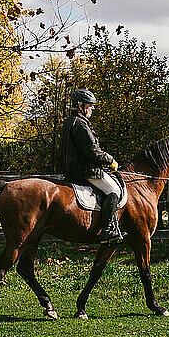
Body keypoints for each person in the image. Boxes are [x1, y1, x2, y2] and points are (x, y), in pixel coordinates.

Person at [61, 88, 125, 243]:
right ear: (80, 105)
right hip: (85, 171)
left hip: (74, 169)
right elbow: (92, 150)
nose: (92, 108)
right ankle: (108, 229)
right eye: (90, 105)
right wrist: (110, 160)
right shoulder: (81, 125)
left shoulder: (70, 121)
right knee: (114, 190)